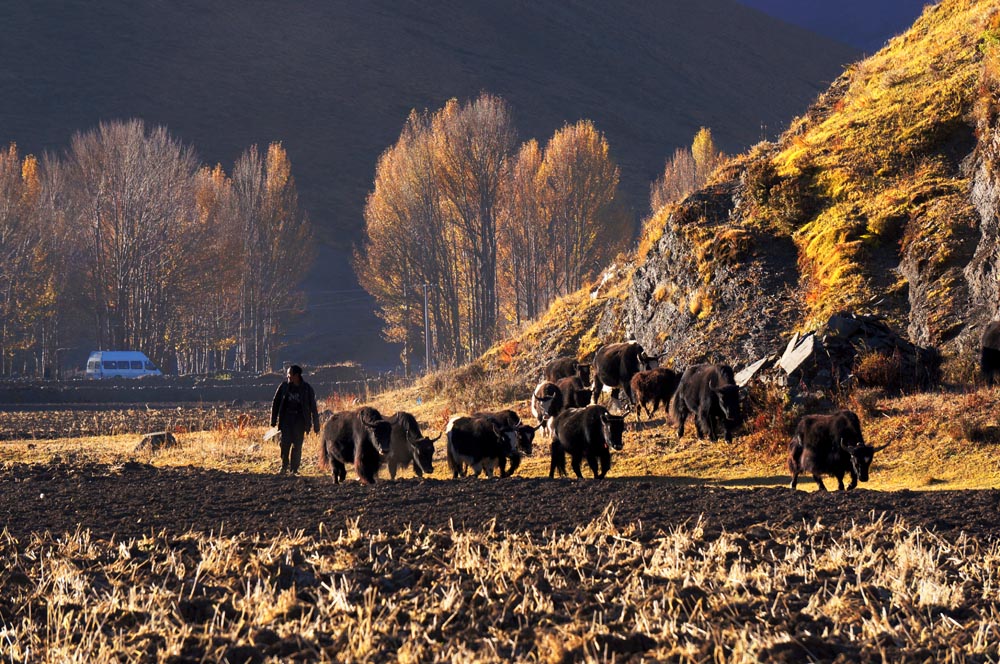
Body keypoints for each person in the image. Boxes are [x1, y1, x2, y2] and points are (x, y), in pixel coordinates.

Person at [270, 364, 320, 474]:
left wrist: (316, 426)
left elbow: (313, 408)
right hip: (286, 420)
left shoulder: (307, 389)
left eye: (289, 375)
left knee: (297, 445)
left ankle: (294, 469)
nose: (288, 377)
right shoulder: (283, 387)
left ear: (296, 376)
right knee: (285, 443)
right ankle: (284, 466)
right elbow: (276, 403)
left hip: (300, 421)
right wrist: (273, 420)